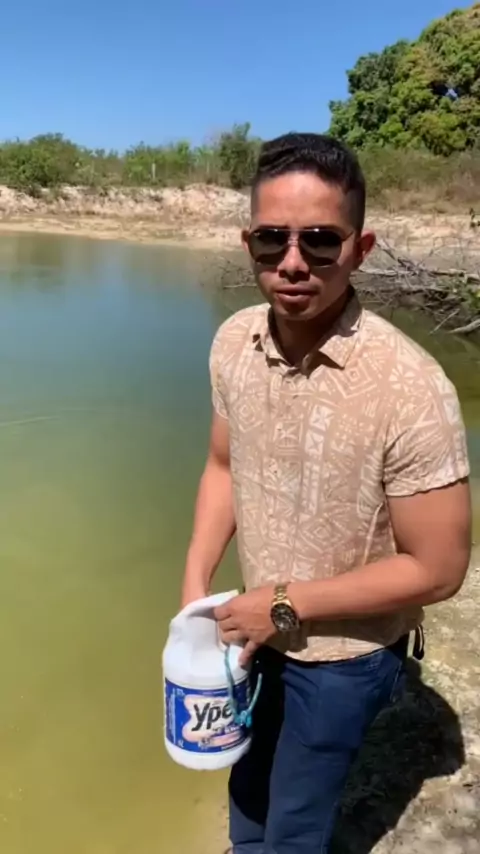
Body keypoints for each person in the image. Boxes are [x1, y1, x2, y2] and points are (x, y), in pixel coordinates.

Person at [181, 132, 472, 854]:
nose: (291, 263)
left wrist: (282, 603)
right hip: (251, 630)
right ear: (248, 242)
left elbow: (439, 569)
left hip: (345, 658)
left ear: (360, 248)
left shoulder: (411, 389)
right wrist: (195, 588)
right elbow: (221, 466)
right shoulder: (232, 343)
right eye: (271, 239)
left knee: (297, 823)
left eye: (319, 241)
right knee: (246, 786)